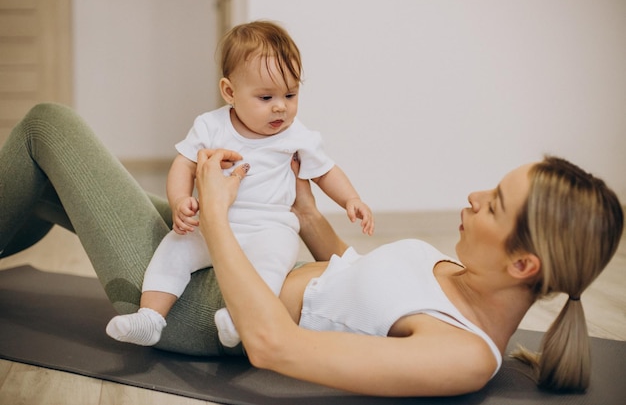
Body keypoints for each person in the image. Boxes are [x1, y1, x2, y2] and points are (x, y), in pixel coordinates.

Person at [0, 103, 622, 396]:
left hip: (205, 309)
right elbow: (352, 279)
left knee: (46, 129)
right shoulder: (467, 277)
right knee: (53, 179)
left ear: (524, 265)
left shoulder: (461, 355)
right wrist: (305, 211)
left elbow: (275, 345)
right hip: (263, 256)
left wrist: (215, 212)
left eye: (495, 203)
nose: (474, 195)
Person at [105, 21, 374, 348]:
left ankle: (241, 320)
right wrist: (179, 201)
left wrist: (351, 199)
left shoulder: (297, 135)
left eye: (291, 94)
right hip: (211, 223)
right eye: (266, 96)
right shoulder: (210, 126)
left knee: (270, 267)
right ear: (230, 92)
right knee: (172, 250)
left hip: (270, 227)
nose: (281, 106)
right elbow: (184, 164)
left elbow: (326, 171)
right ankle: (150, 317)